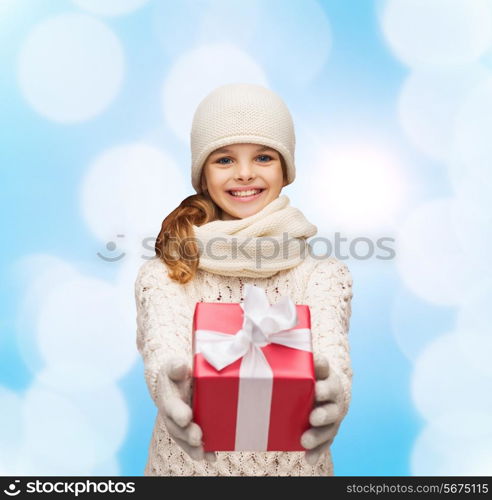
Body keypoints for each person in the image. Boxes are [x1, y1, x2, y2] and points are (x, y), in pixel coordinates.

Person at [134, 83, 354, 476]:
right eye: (224, 160)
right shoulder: (165, 273)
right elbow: (163, 349)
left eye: (264, 156)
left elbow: (331, 358)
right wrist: (168, 385)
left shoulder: (323, 275)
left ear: (286, 169)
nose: (245, 174)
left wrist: (335, 393)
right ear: (202, 173)